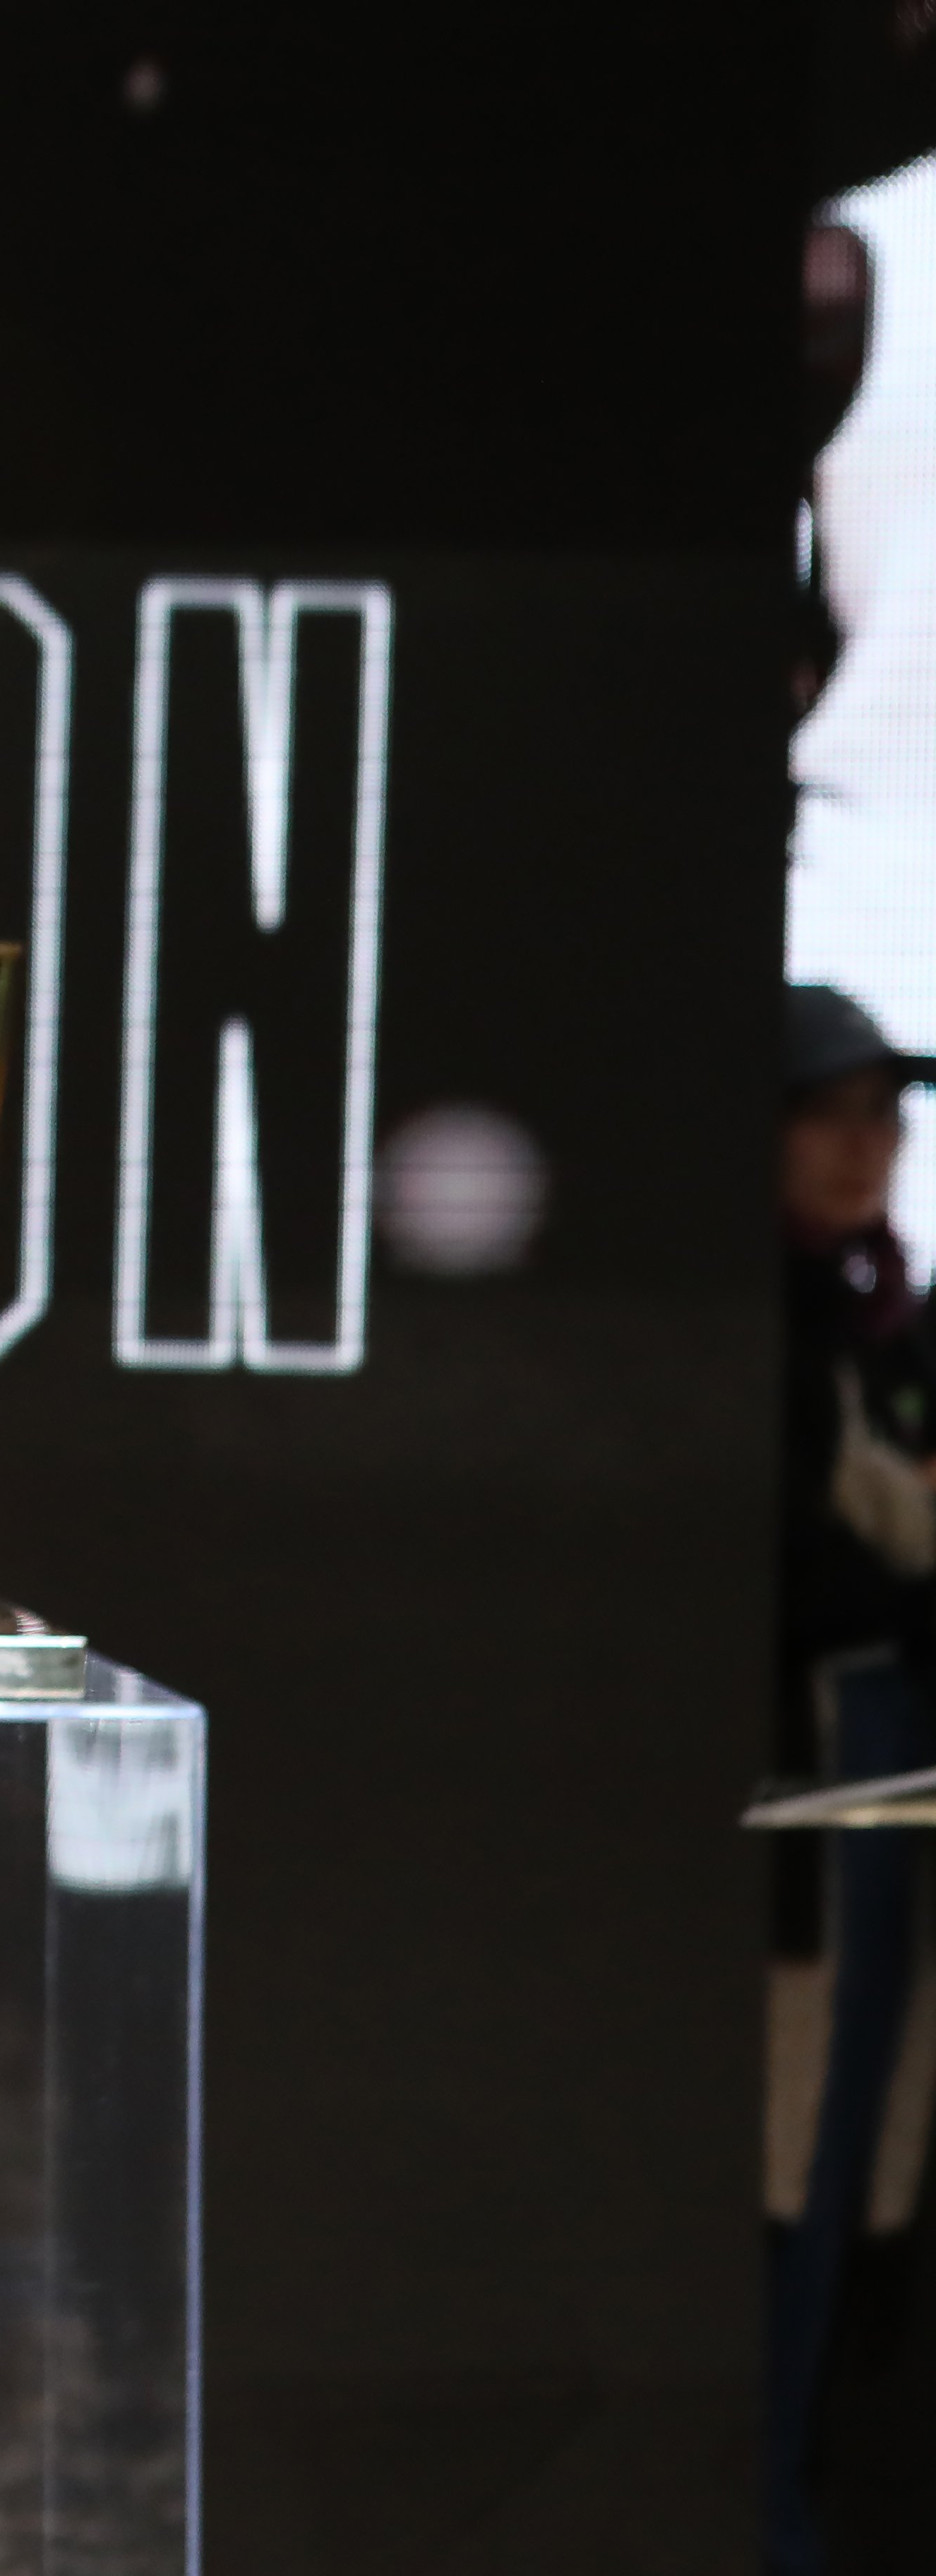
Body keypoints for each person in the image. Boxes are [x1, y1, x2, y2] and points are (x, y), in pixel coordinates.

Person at [765, 983, 936, 2575]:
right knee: (799, 2187)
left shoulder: (887, 1324)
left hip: (879, 1809)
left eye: (886, 1114)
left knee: (859, 2180)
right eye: (830, 1111)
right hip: (808, 1824)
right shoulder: (759, 1328)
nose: (865, 1145)